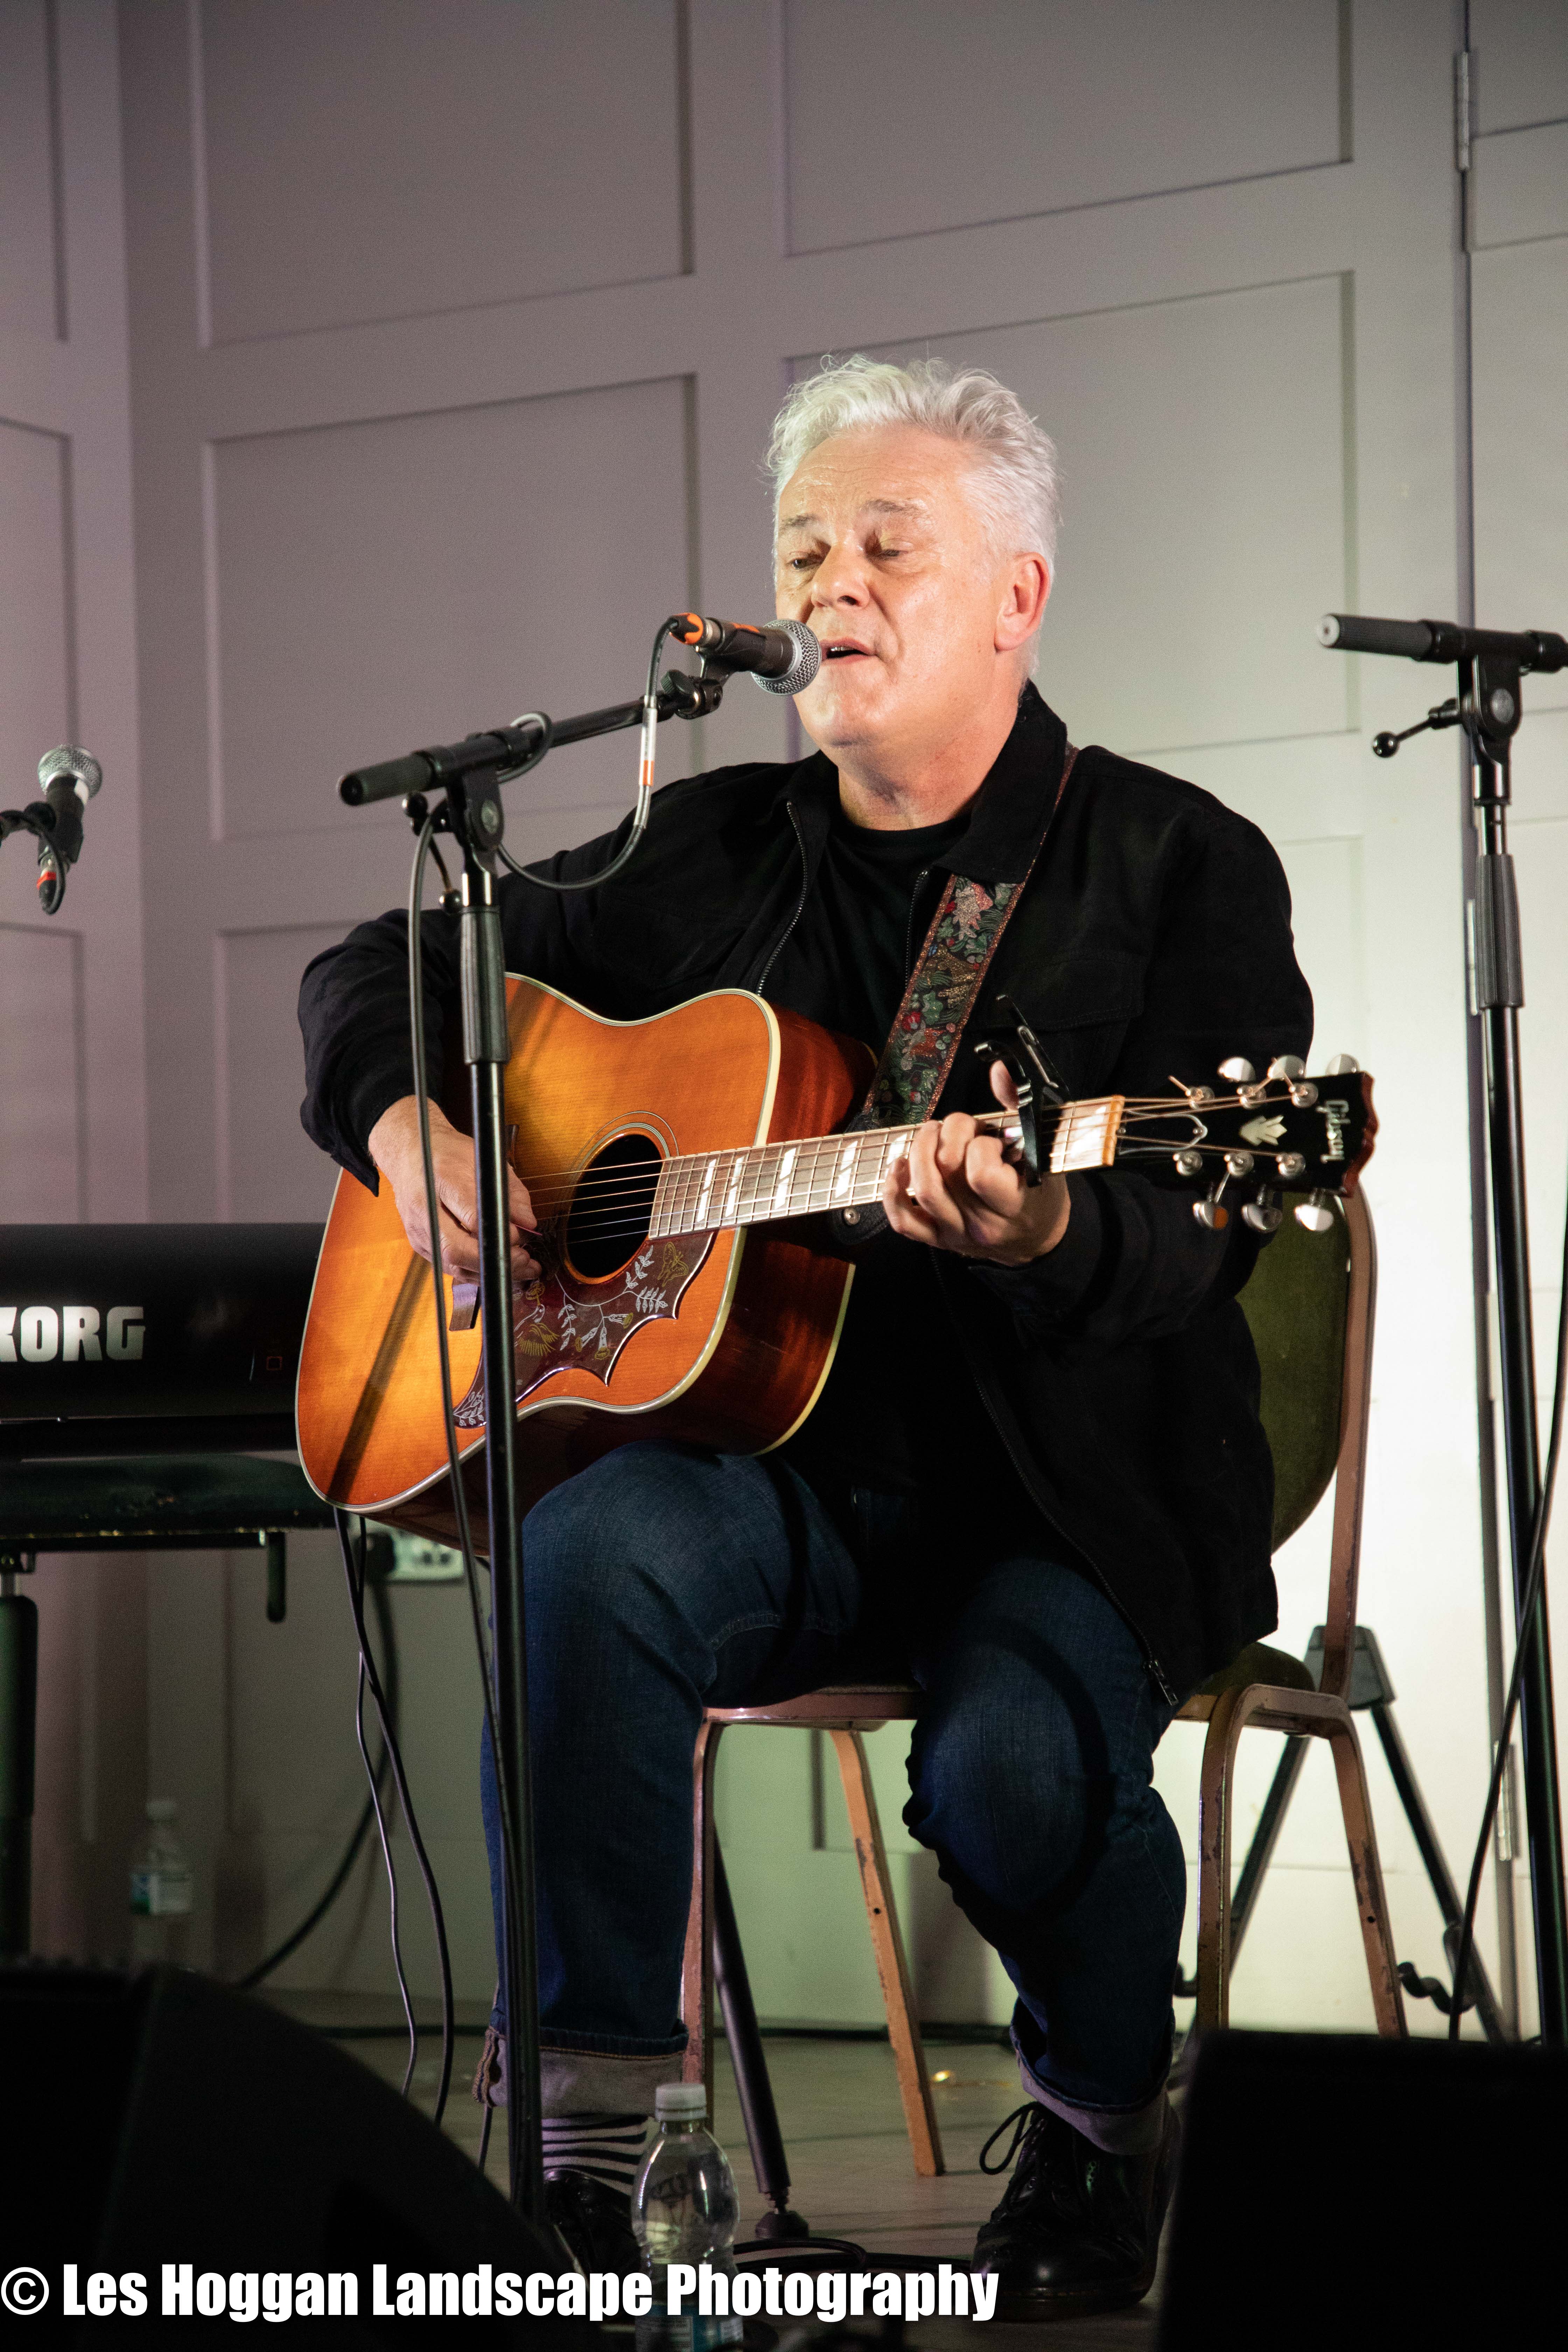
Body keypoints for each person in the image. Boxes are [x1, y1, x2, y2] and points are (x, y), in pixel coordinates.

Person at [299, 356, 1311, 2319]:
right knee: (589, 1557)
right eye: (801, 551)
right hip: (783, 1480)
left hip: (1061, 1494)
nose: (829, 584)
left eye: (885, 546)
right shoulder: (702, 849)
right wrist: (412, 1127)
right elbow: (378, 968)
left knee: (1014, 1772)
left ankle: (1103, 2126)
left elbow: (1194, 1242)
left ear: (1016, 594)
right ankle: (588, 2163)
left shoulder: (1176, 862)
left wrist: (1045, 1226)